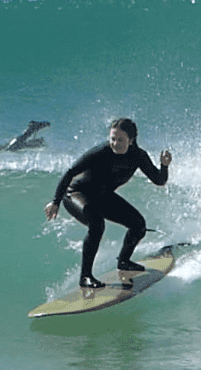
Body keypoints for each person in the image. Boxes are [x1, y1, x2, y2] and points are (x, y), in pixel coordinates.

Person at [44, 118, 172, 288]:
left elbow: (159, 180)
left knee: (138, 225)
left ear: (131, 140)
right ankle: (85, 277)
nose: (115, 143)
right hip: (77, 194)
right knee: (96, 224)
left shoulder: (138, 156)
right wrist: (55, 201)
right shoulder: (100, 152)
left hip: (102, 196)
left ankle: (124, 261)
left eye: (120, 140)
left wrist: (164, 166)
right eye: (113, 139)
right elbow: (70, 172)